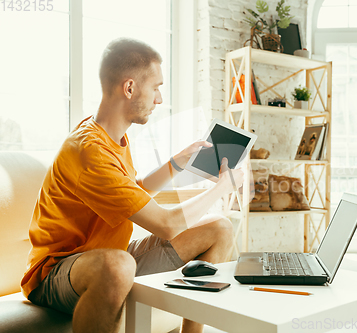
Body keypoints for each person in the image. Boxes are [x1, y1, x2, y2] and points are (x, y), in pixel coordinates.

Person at [21, 38, 244, 333]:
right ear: (129, 88)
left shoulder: (114, 139)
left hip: (113, 255)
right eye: (156, 88)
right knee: (119, 265)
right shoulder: (88, 151)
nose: (160, 99)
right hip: (56, 272)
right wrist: (221, 189)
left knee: (220, 227)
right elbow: (166, 225)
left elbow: (132, 190)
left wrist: (176, 164)